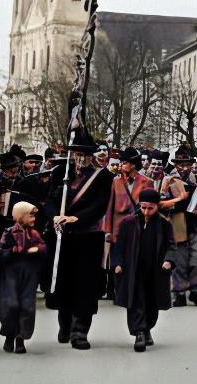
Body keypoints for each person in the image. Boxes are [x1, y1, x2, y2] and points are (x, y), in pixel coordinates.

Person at [44, 133, 113, 350]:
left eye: (84, 154)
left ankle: (80, 330)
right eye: (76, 153)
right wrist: (54, 215)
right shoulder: (59, 173)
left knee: (85, 285)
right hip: (62, 237)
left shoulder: (103, 176)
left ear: (92, 156)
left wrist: (78, 218)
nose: (80, 157)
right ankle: (65, 325)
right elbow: (50, 200)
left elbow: (101, 204)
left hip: (88, 237)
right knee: (63, 283)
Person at [113, 189, 175, 352]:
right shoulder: (128, 222)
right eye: (143, 207)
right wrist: (118, 263)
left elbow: (171, 245)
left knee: (152, 301)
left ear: (157, 207)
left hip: (155, 269)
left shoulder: (164, 223)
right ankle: (139, 332)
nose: (146, 211)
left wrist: (169, 259)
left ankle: (147, 328)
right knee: (136, 299)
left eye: (150, 208)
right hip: (134, 268)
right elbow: (118, 245)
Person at [0, 201, 46, 354]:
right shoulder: (8, 233)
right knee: (11, 305)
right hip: (11, 274)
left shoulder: (34, 234)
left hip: (29, 274)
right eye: (31, 215)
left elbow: (43, 247)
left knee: (27, 306)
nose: (33, 219)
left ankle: (20, 338)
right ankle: (9, 335)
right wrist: (12, 251)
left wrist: (38, 249)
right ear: (21, 216)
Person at [161, 147, 197, 307]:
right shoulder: (169, 180)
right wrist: (176, 199)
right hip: (177, 221)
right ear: (176, 164)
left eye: (187, 164)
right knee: (179, 259)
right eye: (181, 164)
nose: (184, 168)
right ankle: (179, 292)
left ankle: (196, 290)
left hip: (196, 222)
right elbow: (162, 203)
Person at [104, 148, 153, 299]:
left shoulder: (146, 182)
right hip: (118, 226)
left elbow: (150, 207)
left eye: (125, 162)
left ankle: (133, 290)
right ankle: (113, 290)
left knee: (135, 259)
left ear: (133, 164)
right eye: (121, 162)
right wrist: (107, 230)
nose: (121, 165)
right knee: (116, 259)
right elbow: (110, 207)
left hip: (137, 226)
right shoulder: (115, 182)